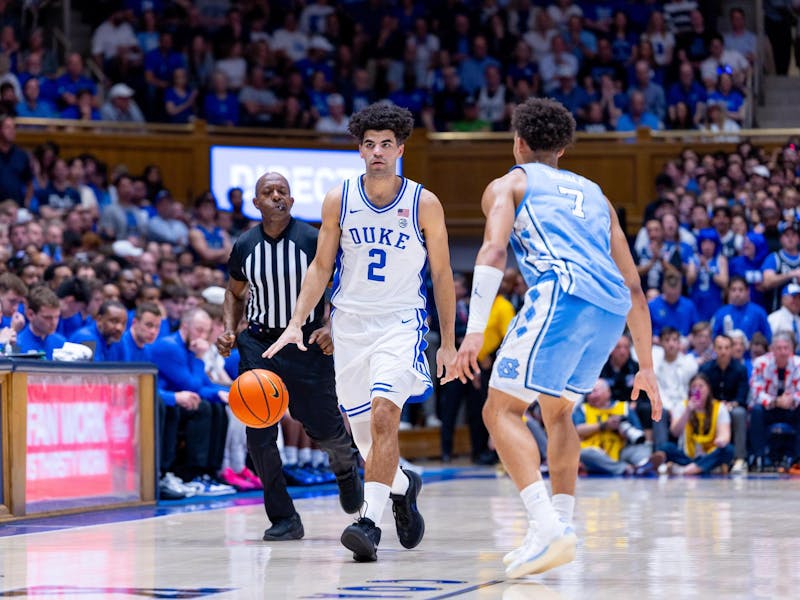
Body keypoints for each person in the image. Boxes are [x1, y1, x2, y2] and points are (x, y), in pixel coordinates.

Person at [451, 97, 662, 578]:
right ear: (563, 149)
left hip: (562, 295)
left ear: (518, 142)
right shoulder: (597, 194)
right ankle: (557, 530)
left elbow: (492, 249)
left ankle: (547, 527)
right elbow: (633, 286)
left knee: (499, 410)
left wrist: (474, 331)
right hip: (610, 309)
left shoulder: (510, 183)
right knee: (559, 410)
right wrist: (645, 366)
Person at [265, 103, 457, 562]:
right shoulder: (340, 198)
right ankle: (405, 485)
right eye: (369, 144)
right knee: (368, 442)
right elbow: (321, 266)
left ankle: (368, 523)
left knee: (385, 416)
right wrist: (296, 322)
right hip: (350, 326)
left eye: (386, 145)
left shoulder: (423, 202)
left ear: (400, 149)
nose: (377, 152)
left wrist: (448, 341)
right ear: (360, 149)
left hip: (400, 322)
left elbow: (445, 274)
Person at [216, 172, 364, 541]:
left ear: (292, 201)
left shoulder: (313, 239)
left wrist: (331, 327)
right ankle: (284, 518)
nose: (276, 196)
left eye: (283, 191)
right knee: (259, 437)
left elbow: (345, 286)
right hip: (259, 345)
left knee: (327, 431)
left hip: (306, 345)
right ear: (256, 203)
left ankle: (345, 469)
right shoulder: (245, 244)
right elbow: (234, 293)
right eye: (268, 192)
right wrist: (231, 331)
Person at [573, 379, 664, 476]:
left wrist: (623, 433)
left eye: (595, 391)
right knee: (584, 454)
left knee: (641, 447)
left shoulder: (623, 407)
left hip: (621, 451)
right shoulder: (582, 409)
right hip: (596, 452)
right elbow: (578, 430)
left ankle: (643, 463)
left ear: (607, 392)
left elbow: (638, 434)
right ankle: (628, 468)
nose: (591, 395)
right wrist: (604, 425)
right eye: (589, 393)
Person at [658, 372, 734, 475]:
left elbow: (725, 435)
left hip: (710, 454)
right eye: (694, 386)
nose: (697, 389)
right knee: (666, 447)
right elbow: (674, 432)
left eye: (701, 386)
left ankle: (684, 469)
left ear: (708, 389)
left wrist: (721, 441)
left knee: (728, 450)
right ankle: (704, 468)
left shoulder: (719, 408)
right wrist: (687, 411)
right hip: (687, 455)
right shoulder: (682, 406)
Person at [749, 332, 800, 472]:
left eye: (786, 348)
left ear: (792, 349)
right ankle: (760, 456)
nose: (783, 352)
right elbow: (756, 392)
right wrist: (776, 401)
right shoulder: (760, 363)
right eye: (779, 348)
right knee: (756, 410)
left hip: (791, 408)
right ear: (772, 349)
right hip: (769, 408)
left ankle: (796, 456)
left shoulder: (798, 364)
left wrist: (792, 400)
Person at [699, 334, 749, 474]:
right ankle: (702, 456)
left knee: (739, 413)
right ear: (714, 349)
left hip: (731, 407)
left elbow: (742, 397)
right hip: (710, 407)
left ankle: (740, 458)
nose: (723, 351)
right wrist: (715, 405)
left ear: (732, 349)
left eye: (727, 348)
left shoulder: (740, 369)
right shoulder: (705, 369)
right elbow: (699, 392)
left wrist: (730, 405)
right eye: (720, 348)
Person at [17, 286, 66, 359]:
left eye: (57, 317)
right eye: (47, 318)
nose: (54, 322)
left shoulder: (62, 343)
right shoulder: (17, 344)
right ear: (30, 315)